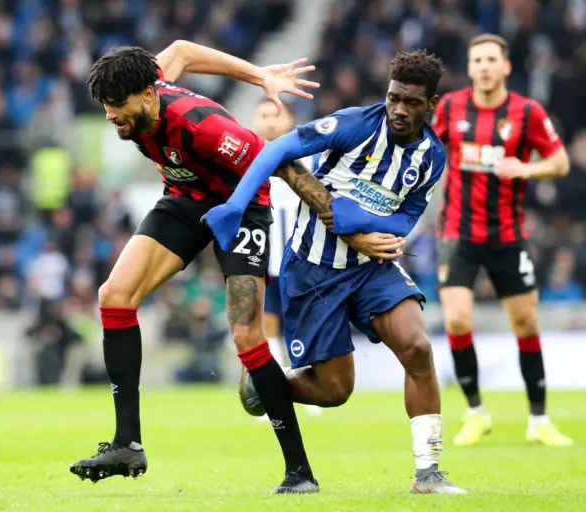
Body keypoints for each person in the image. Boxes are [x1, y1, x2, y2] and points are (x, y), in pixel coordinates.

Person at [69, 40, 330, 494]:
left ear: (147, 95)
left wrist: (340, 220)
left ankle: (299, 472)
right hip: (184, 200)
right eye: (105, 105)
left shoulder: (204, 127)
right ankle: (127, 444)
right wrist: (259, 75)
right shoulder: (148, 81)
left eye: (116, 105)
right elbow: (182, 50)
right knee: (114, 296)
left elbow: (277, 162)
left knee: (247, 336)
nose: (110, 115)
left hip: (241, 207)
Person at [204, 50, 466, 494]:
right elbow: (279, 150)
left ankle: (428, 473)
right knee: (334, 392)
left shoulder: (431, 156)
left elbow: (407, 217)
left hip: (370, 268)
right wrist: (234, 205)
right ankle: (266, 384)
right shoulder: (356, 124)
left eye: (411, 102)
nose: (399, 109)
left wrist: (355, 224)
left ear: (431, 105)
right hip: (314, 271)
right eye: (394, 98)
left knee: (418, 348)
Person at [432, 34, 573, 447]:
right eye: (477, 60)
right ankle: (475, 412)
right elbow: (424, 149)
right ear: (470, 67)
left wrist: (526, 169)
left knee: (525, 322)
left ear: (506, 66)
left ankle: (539, 420)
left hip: (508, 233)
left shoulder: (527, 112)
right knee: (457, 319)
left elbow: (560, 162)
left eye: (492, 59)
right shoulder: (451, 107)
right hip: (457, 231)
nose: (484, 66)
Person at [251, 98, 322, 419]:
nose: (269, 121)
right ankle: (272, 395)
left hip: (303, 262)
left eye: (276, 114)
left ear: (290, 119)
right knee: (267, 329)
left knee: (304, 328)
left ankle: (312, 392)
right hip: (264, 262)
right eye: (263, 115)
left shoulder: (310, 157)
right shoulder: (248, 159)